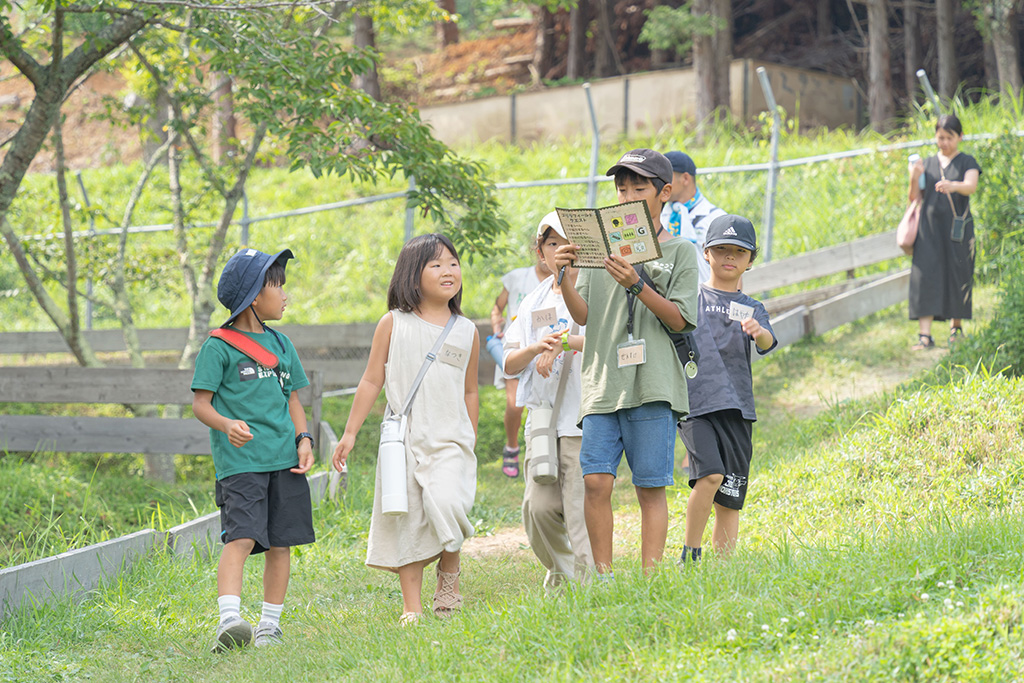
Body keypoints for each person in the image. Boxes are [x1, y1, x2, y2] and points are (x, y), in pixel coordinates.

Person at [555, 148, 700, 577]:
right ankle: (603, 576)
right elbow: (585, 316)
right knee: (595, 481)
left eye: (639, 187)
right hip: (602, 382)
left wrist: (637, 283)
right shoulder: (598, 252)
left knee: (650, 486)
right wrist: (563, 278)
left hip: (653, 383)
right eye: (621, 188)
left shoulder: (681, 252)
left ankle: (649, 577)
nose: (628, 195)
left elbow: (680, 320)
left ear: (664, 193)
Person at [332, 233, 479, 625]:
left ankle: (449, 574)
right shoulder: (393, 323)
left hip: (451, 438)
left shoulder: (466, 330)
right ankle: (411, 606)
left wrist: (472, 437)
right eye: (436, 264)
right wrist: (350, 433)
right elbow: (370, 381)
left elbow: (470, 390)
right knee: (408, 518)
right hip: (404, 439)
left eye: (453, 262)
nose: (448, 270)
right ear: (413, 276)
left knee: (450, 503)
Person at [191, 247, 316, 652]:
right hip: (241, 464)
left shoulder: (282, 344)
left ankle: (269, 626)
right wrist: (227, 425)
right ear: (253, 296)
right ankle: (230, 619)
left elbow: (293, 400)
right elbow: (200, 404)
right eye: (278, 286)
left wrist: (304, 439)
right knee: (241, 538)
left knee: (281, 542)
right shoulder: (218, 347)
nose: (285, 295)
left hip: (284, 461)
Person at [676, 215, 777, 564]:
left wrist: (757, 330)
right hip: (696, 404)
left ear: (751, 259)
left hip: (738, 409)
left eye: (738, 252)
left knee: (730, 494)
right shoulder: (690, 298)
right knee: (711, 476)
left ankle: (724, 570)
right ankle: (690, 553)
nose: (729, 258)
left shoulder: (753, 308)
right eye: (721, 250)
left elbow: (767, 340)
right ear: (706, 253)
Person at [502, 211, 593, 589]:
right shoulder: (531, 301)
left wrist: (561, 345)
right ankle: (562, 572)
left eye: (566, 242)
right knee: (537, 509)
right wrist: (537, 347)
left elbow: (605, 340)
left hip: (583, 417)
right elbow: (509, 361)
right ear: (540, 252)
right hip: (542, 420)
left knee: (578, 509)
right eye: (551, 243)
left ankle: (590, 589)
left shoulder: (594, 288)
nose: (559, 251)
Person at [908, 114, 982, 350]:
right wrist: (914, 177)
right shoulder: (926, 163)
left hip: (957, 231)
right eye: (940, 137)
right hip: (928, 231)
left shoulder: (966, 162)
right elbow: (914, 198)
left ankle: (955, 328)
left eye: (949, 138)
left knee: (958, 273)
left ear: (960, 137)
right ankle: (925, 335)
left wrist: (953, 186)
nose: (944, 143)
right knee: (925, 277)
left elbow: (971, 186)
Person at [487, 255, 549, 478]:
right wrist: (497, 323)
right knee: (514, 405)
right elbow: (497, 307)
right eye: (549, 244)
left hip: (547, 352)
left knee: (545, 403)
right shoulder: (517, 278)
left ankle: (545, 451)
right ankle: (512, 447)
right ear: (539, 251)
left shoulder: (562, 282)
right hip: (516, 350)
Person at [659, 151, 727, 284]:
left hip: (705, 300)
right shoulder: (659, 216)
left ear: (685, 179)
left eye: (665, 178)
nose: (660, 184)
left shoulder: (716, 218)